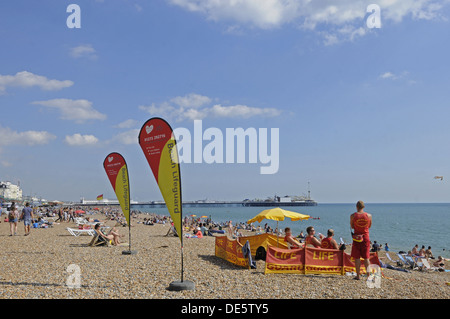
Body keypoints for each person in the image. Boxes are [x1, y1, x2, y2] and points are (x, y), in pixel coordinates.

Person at [350, 200, 372, 280]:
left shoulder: (353, 216)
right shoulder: (369, 216)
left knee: (357, 257)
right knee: (366, 257)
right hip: (365, 237)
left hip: (356, 238)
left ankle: (358, 276)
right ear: (364, 207)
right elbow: (369, 226)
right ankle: (368, 275)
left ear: (356, 207)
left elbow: (352, 226)